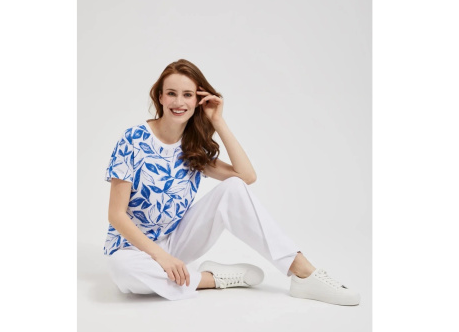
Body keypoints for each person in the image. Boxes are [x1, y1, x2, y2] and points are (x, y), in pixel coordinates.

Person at [104, 59, 360, 305]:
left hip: (176, 241)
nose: (179, 102)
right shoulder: (133, 139)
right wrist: (161, 257)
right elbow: (116, 215)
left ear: (197, 100)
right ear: (160, 97)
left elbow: (246, 177)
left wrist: (217, 120)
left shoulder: (191, 147)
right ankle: (211, 279)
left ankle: (303, 273)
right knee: (123, 272)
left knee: (233, 188)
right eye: (171, 93)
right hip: (131, 249)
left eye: (187, 95)